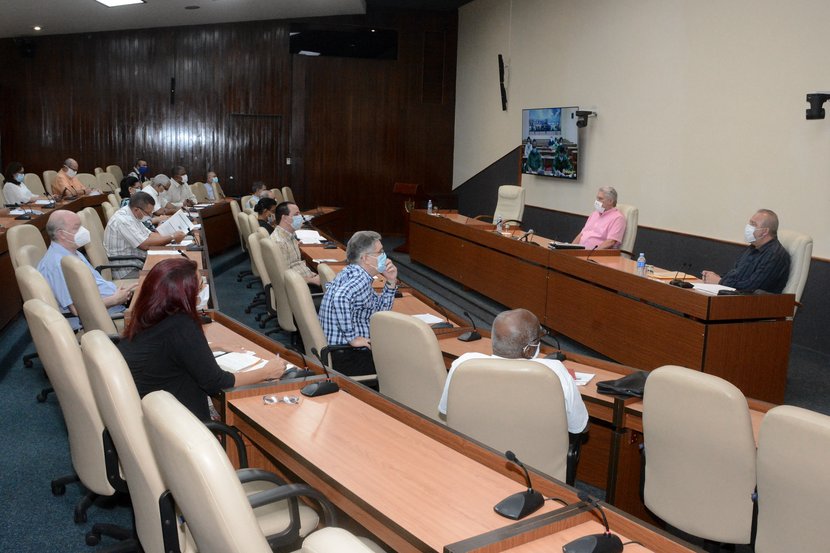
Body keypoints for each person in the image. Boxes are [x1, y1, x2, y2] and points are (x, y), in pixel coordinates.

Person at [118, 257, 283, 420]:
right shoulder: (181, 324)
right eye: (200, 284)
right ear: (185, 293)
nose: (203, 288)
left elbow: (164, 349)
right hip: (179, 424)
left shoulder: (148, 316)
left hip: (151, 416)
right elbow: (218, 382)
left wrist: (215, 347)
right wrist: (267, 371)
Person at [438, 308, 588, 433]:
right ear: (529, 350)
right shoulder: (555, 373)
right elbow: (579, 427)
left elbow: (446, 411)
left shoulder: (464, 365)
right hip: (534, 464)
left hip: (476, 455)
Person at [37, 210, 137, 330]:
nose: (83, 231)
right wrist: (115, 299)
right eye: (77, 227)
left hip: (114, 304)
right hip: (102, 319)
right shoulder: (58, 264)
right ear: (61, 234)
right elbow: (77, 310)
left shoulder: (72, 252)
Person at [318, 230, 397, 375]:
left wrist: (391, 281)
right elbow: (340, 298)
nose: (384, 256)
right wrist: (352, 338)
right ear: (366, 258)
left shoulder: (353, 272)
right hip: (345, 355)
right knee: (400, 365)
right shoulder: (359, 280)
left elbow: (380, 313)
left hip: (339, 352)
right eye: (380, 252)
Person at [702, 209, 791, 293]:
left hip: (754, 305)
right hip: (734, 298)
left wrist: (720, 281)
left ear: (765, 231)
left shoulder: (775, 255)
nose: (748, 227)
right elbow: (736, 274)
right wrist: (716, 277)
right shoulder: (752, 248)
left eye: (753, 224)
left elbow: (752, 287)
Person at [103, 191, 186, 279]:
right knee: (169, 276)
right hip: (127, 270)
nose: (150, 216)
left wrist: (171, 235)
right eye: (148, 213)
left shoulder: (133, 214)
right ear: (136, 209)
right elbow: (145, 245)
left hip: (138, 262)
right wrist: (171, 237)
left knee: (173, 265)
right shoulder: (123, 220)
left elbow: (149, 235)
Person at [270, 201, 321, 289]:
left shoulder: (289, 235)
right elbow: (284, 277)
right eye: (296, 214)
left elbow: (295, 263)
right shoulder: (279, 242)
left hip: (305, 277)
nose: (300, 217)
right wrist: (312, 280)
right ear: (285, 218)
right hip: (301, 287)